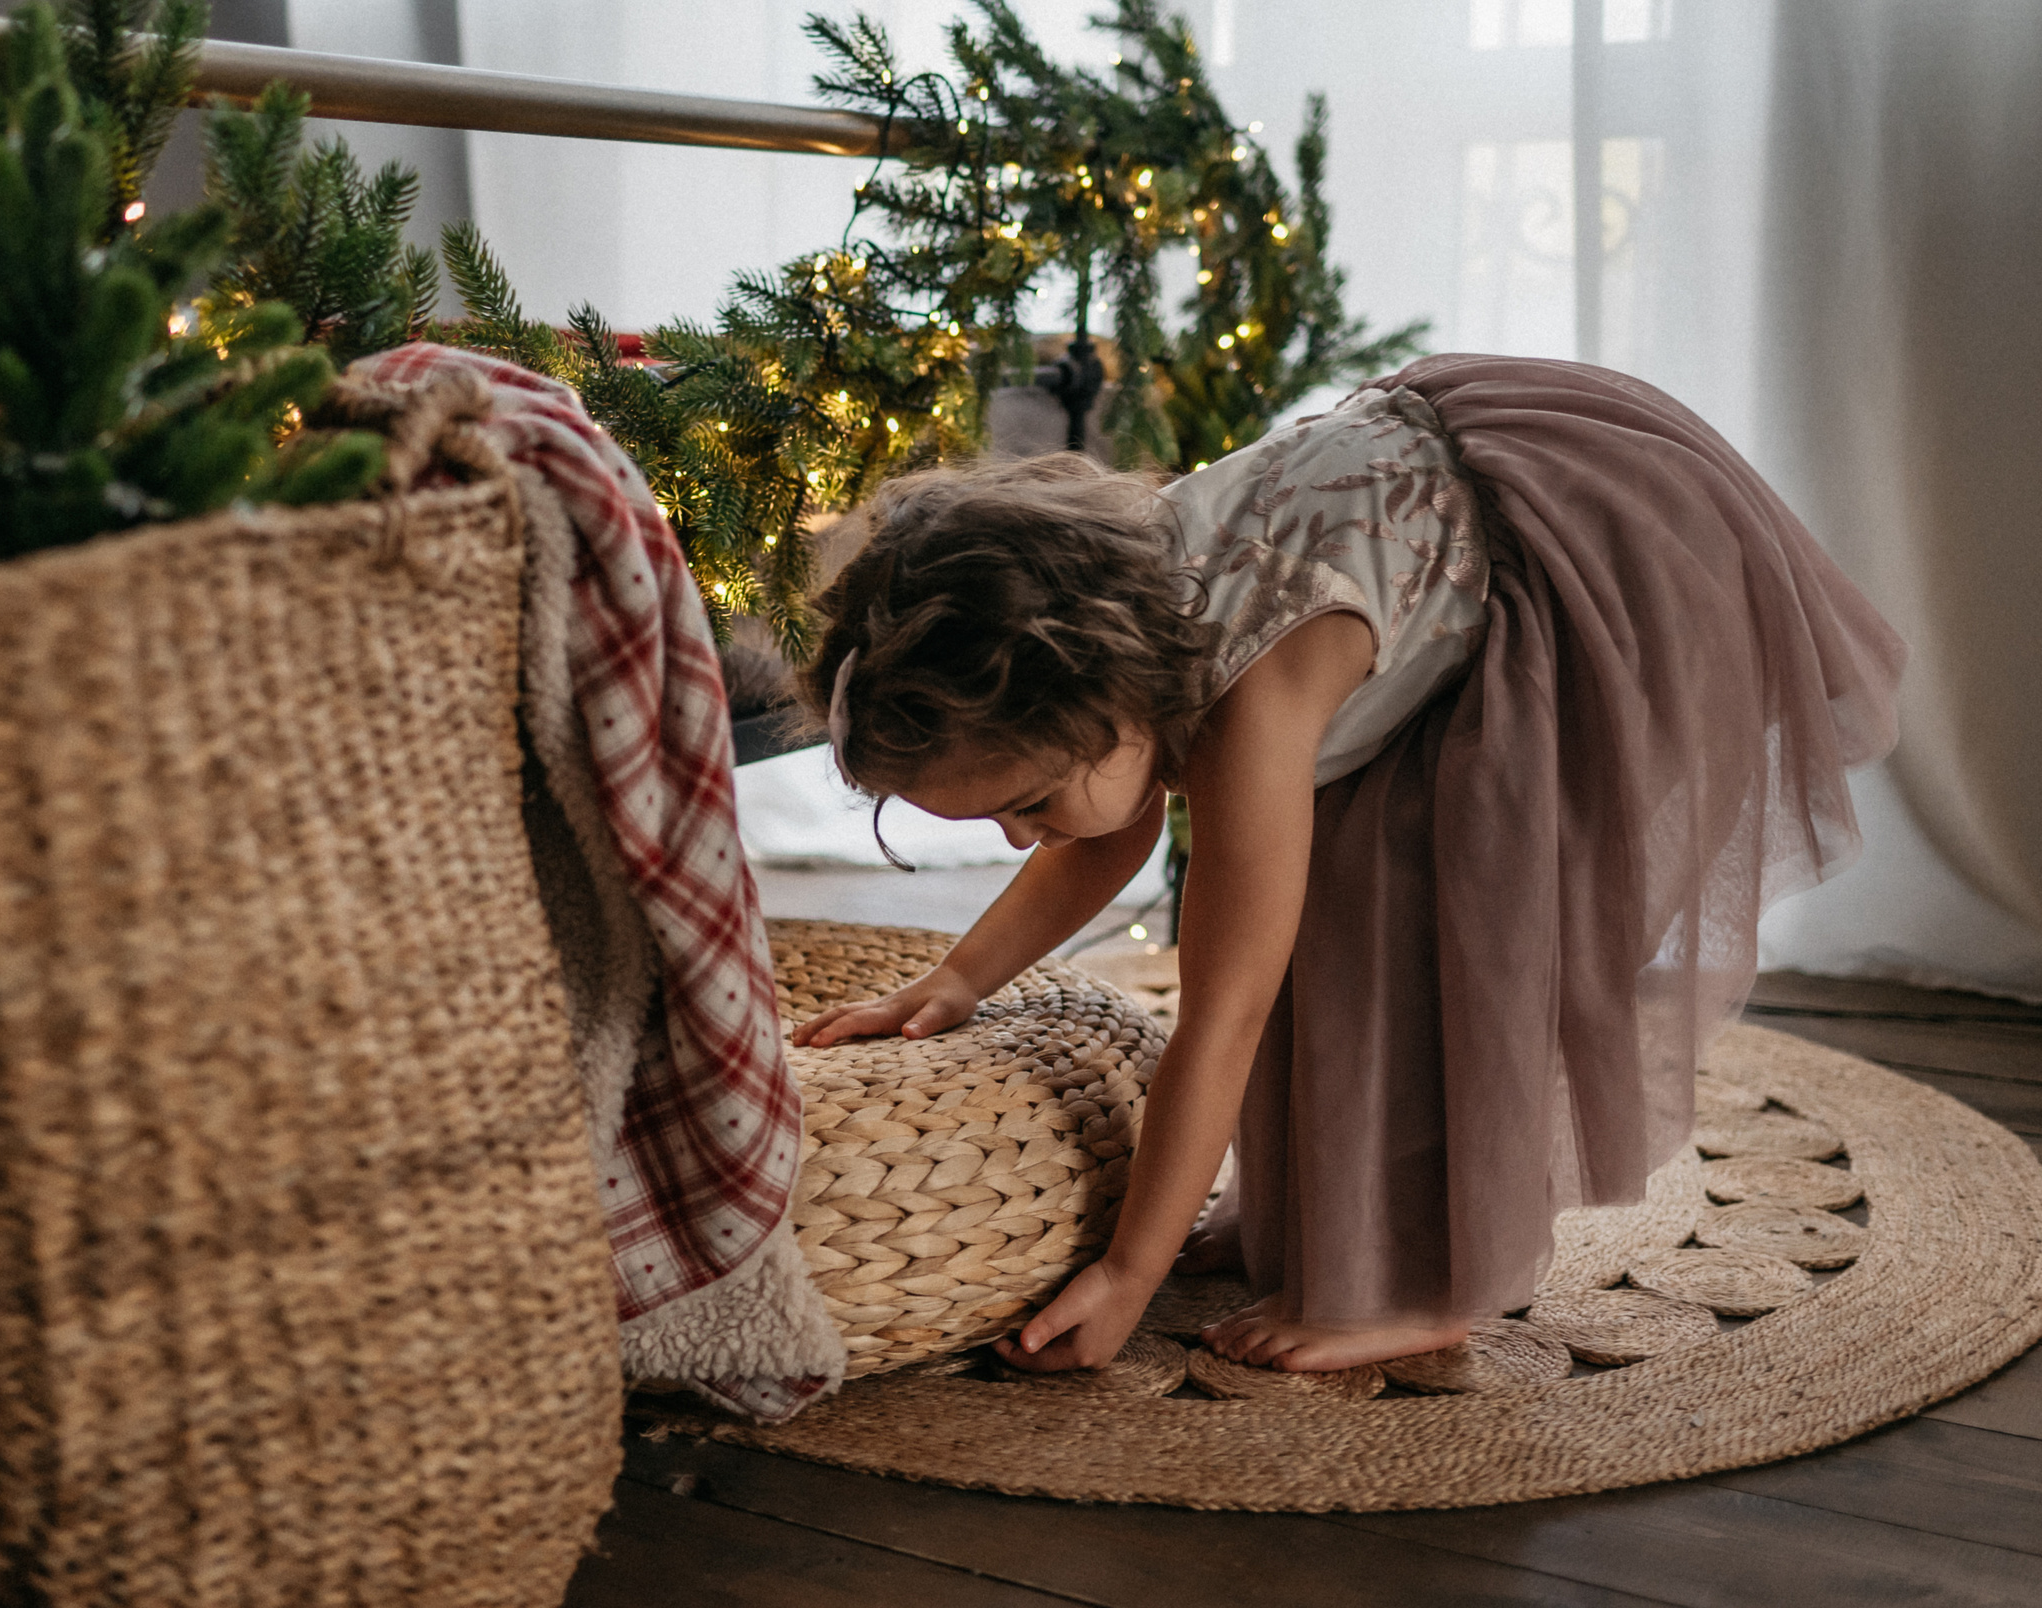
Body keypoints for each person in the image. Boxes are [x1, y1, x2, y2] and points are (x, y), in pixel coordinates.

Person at [788, 355, 1905, 1373]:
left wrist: (1131, 1271)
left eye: (1025, 803)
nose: (1022, 838)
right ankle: (1312, 1224)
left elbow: (1220, 1014)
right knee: (1320, 914)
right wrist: (957, 978)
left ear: (1093, 697)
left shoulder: (1250, 694)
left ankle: (1422, 1287)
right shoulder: (1113, 634)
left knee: (1415, 936)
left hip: (1600, 564)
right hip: (1432, 527)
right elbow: (1098, 828)